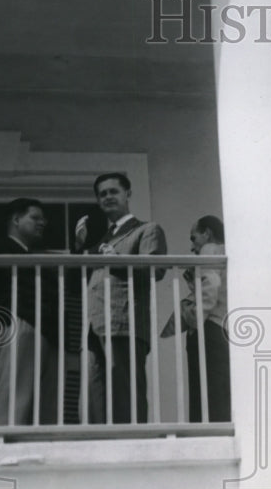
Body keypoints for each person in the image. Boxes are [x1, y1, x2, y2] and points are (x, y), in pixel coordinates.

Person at [74, 173, 167, 424]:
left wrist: (118, 260)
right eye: (102, 194)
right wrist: (79, 247)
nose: (107, 197)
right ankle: (98, 449)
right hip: (94, 326)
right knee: (94, 395)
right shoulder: (101, 241)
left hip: (125, 322)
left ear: (127, 194)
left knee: (125, 392)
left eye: (113, 191)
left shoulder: (146, 229)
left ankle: (133, 444)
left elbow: (156, 270)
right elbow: (80, 279)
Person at [0, 198, 59, 426]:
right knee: (11, 397)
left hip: (42, 332)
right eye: (35, 218)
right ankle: (0, 444)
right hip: (16, 327)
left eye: (44, 219)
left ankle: (24, 448)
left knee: (37, 402)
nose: (43, 223)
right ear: (16, 219)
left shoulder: (37, 255)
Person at [161, 215, 230, 422]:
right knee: (217, 389)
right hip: (222, 327)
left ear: (207, 233)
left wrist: (193, 319)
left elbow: (210, 287)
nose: (192, 246)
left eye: (194, 238)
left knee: (204, 391)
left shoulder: (209, 250)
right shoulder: (226, 252)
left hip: (208, 328)